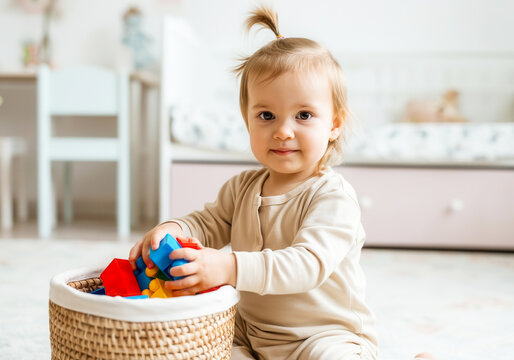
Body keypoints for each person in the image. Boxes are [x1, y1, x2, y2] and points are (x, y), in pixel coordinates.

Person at [129, 6, 378, 359]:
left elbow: (307, 264)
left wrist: (228, 267)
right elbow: (208, 222)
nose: (283, 130)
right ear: (248, 121)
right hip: (252, 334)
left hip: (323, 335)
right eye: (266, 115)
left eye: (303, 115)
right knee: (204, 351)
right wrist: (174, 227)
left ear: (334, 124)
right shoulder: (242, 187)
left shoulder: (332, 197)